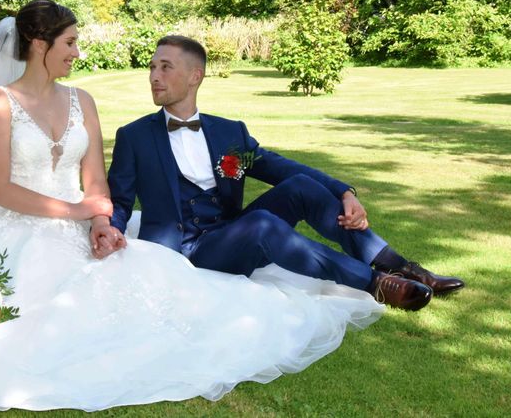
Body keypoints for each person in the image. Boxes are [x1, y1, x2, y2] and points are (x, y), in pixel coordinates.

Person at [0, 0, 383, 417]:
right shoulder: (0, 104)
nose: (77, 52)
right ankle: (381, 275)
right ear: (36, 44)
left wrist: (105, 222)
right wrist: (77, 214)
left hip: (85, 227)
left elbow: (98, 183)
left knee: (161, 295)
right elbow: (0, 190)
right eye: (70, 42)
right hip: (15, 227)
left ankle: (385, 271)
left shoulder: (83, 100)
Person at [98, 35, 464, 311]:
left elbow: (281, 168)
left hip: (228, 234)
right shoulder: (135, 137)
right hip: (185, 251)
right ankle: (376, 284)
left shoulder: (229, 133)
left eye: (165, 67)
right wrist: (111, 225)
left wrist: (345, 192)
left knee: (301, 187)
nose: (154, 76)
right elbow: (121, 200)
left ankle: (404, 268)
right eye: (151, 67)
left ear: (195, 76)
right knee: (262, 226)